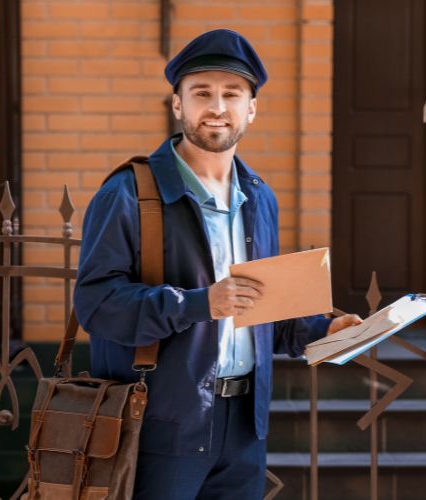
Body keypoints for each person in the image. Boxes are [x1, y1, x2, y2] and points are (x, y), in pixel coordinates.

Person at [73, 29, 361, 500]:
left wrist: (324, 332)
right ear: (177, 105)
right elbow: (96, 305)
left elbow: (260, 309)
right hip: (162, 426)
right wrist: (197, 303)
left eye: (232, 94)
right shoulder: (128, 193)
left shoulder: (260, 198)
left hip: (245, 428)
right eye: (201, 93)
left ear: (251, 109)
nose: (217, 107)